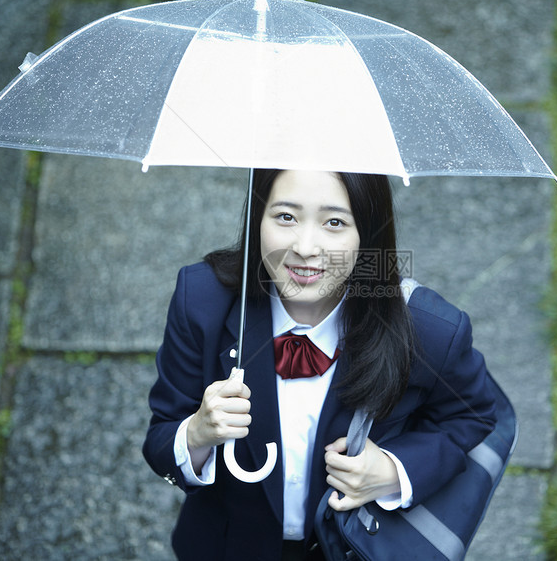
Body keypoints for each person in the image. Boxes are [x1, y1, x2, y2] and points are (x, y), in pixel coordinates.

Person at [143, 169, 497, 561]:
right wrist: (196, 433)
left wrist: (395, 471)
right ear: (256, 217)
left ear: (368, 233)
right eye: (286, 217)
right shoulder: (202, 300)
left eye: (334, 222)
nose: (306, 247)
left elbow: (473, 416)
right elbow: (160, 439)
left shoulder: (428, 329)